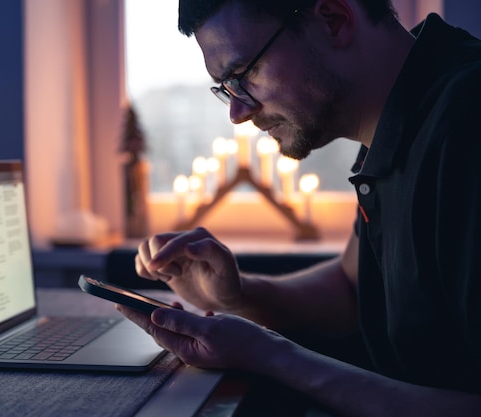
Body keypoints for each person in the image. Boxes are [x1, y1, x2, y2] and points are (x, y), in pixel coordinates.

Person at [117, 0, 481, 415]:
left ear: (334, 20)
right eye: (226, 89)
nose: (237, 113)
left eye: (244, 74)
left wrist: (272, 355)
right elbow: (353, 288)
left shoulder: (468, 123)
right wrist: (237, 296)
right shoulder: (394, 119)